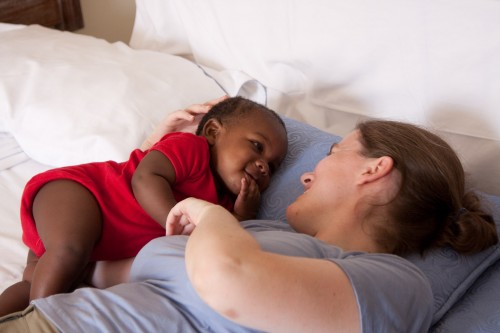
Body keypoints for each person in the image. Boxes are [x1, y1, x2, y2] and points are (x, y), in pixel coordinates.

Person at [0, 113, 498, 332]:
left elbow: (228, 280)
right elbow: (101, 271)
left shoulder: (396, 284)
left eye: (332, 153)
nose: (305, 175)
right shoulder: (261, 235)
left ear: (374, 169)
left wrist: (208, 213)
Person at [0, 96, 289, 317]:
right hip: (80, 194)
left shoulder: (222, 203)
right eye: (257, 146)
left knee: (44, 279)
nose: (264, 166)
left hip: (94, 242)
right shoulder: (191, 149)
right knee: (68, 252)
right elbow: (145, 179)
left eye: (273, 167)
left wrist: (243, 214)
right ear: (213, 132)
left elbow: (223, 239)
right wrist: (176, 217)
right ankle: (39, 320)